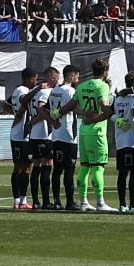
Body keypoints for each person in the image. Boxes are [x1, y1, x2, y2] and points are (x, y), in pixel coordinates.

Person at [73, 58, 115, 211]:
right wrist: (109, 117)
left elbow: (73, 107)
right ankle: (100, 203)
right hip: (96, 132)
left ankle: (83, 202)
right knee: (98, 167)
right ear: (106, 71)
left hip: (83, 131)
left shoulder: (82, 85)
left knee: (84, 167)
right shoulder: (103, 86)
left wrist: (85, 114)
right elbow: (104, 108)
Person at [45, 66, 80, 210]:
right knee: (69, 169)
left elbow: (47, 109)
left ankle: (57, 201)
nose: (78, 79)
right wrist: (88, 113)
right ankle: (70, 202)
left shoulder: (55, 90)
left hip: (56, 134)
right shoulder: (70, 91)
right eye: (77, 76)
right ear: (71, 76)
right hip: (68, 134)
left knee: (57, 169)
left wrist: (53, 121)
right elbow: (74, 108)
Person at [25, 67, 57, 208]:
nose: (58, 81)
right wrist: (44, 120)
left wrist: (33, 121)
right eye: (57, 78)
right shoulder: (45, 92)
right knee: (46, 166)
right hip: (44, 134)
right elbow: (40, 108)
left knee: (37, 166)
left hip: (35, 134)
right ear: (52, 78)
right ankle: (44, 202)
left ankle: (37, 202)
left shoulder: (36, 91)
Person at [7, 67, 38, 210]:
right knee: (25, 168)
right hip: (22, 135)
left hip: (17, 133)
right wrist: (37, 90)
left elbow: (6, 105)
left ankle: (17, 200)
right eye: (35, 79)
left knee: (19, 167)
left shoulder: (16, 90)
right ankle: (21, 200)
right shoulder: (22, 91)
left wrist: (16, 114)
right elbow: (24, 100)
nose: (36, 82)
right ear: (30, 79)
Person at [111, 72, 134, 211]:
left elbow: (109, 112)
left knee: (122, 173)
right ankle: (133, 204)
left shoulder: (117, 98)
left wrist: (115, 119)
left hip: (120, 139)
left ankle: (122, 204)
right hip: (133, 139)